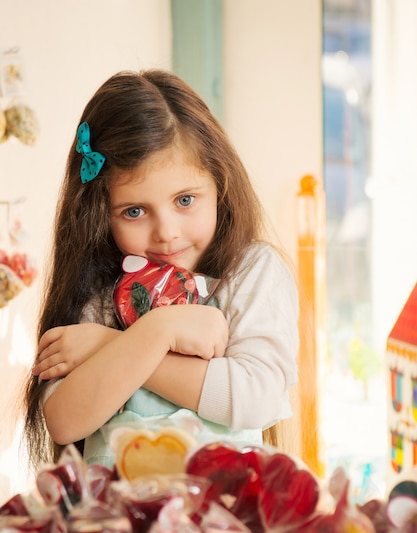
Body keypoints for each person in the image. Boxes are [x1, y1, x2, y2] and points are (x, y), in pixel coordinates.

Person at [24, 69, 299, 471]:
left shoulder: (250, 271)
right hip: (121, 528)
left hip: (222, 524)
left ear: (219, 183)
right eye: (134, 211)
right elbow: (65, 421)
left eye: (185, 200)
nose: (167, 234)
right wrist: (158, 332)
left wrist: (108, 344)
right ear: (100, 214)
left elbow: (255, 397)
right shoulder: (101, 289)